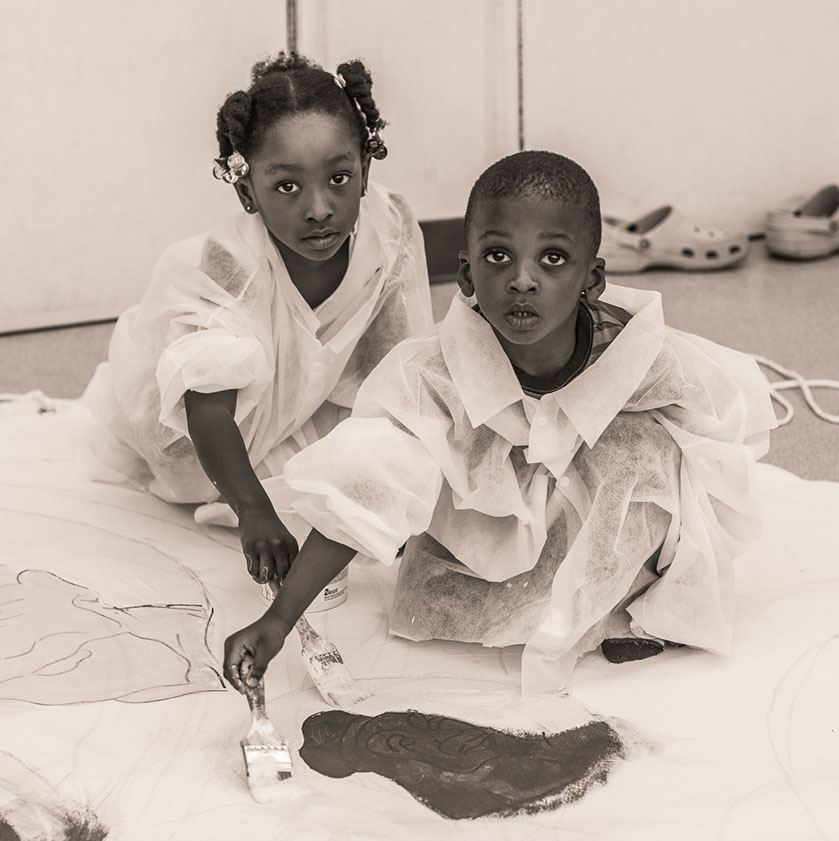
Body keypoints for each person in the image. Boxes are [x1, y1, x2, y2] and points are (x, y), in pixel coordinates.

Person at [223, 151, 777, 695]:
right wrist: (279, 620)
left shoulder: (636, 352)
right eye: (497, 257)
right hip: (493, 530)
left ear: (593, 279)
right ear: (465, 274)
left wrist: (685, 559)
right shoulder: (432, 372)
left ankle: (629, 603)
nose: (522, 280)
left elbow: (726, 428)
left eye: (553, 259)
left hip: (612, 523)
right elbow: (365, 483)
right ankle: (534, 603)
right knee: (430, 455)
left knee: (651, 449)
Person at [82, 52, 433, 585]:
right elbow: (206, 406)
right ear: (247, 191)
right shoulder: (230, 267)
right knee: (291, 501)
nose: (319, 207)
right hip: (210, 441)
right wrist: (253, 511)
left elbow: (395, 364)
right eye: (287, 186)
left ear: (365, 170)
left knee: (422, 475)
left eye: (339, 177)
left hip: (307, 401)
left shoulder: (390, 228)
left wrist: (390, 470)